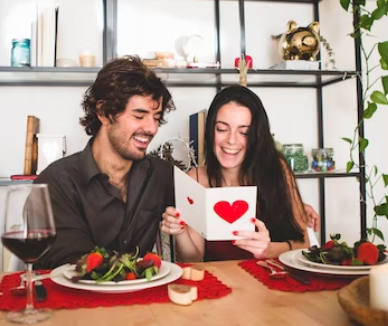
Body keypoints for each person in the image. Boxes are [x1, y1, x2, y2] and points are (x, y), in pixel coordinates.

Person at [33, 56, 176, 269]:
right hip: (78, 300)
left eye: (156, 117)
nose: (152, 128)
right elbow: (72, 264)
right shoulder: (55, 184)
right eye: (139, 116)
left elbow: (198, 235)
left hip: (140, 299)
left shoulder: (163, 175)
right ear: (104, 113)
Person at [161, 85, 318, 262]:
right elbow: (193, 259)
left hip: (270, 283)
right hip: (220, 284)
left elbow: (303, 243)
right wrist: (180, 232)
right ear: (211, 131)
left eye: (244, 132)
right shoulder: (195, 179)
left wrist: (269, 250)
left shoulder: (277, 170)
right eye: (222, 129)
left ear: (256, 136)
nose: (231, 140)